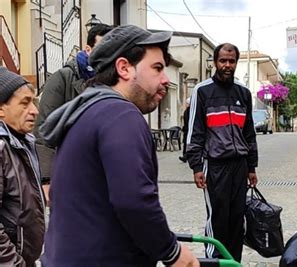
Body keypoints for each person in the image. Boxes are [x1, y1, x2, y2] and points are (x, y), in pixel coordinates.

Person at [38, 25, 199, 267]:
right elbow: (134, 200)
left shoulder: (86, 110)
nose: (165, 79)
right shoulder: (121, 115)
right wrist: (172, 252)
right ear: (124, 68)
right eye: (157, 68)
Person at [186, 43, 258, 262]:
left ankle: (233, 263)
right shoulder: (202, 91)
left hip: (240, 166)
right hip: (214, 166)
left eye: (232, 61)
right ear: (215, 62)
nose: (227, 65)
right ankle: (214, 263)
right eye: (223, 61)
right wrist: (197, 166)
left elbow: (249, 132)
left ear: (236, 63)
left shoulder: (243, 94)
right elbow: (194, 131)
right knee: (217, 218)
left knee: (237, 220)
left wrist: (251, 167)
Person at [34, 23, 113, 196]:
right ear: (88, 49)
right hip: (69, 170)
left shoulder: (112, 82)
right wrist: (46, 179)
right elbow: (44, 128)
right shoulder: (63, 78)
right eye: (102, 48)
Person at [0, 67, 45, 267]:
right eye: (25, 103)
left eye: (34, 102)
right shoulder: (2, 148)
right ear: (1, 109)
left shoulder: (23, 142)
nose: (34, 111)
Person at [179, 97, 190, 163]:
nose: (186, 104)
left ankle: (185, 156)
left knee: (188, 144)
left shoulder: (189, 111)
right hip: (186, 130)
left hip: (189, 130)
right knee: (185, 143)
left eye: (187, 103)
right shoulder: (187, 111)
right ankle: (185, 156)